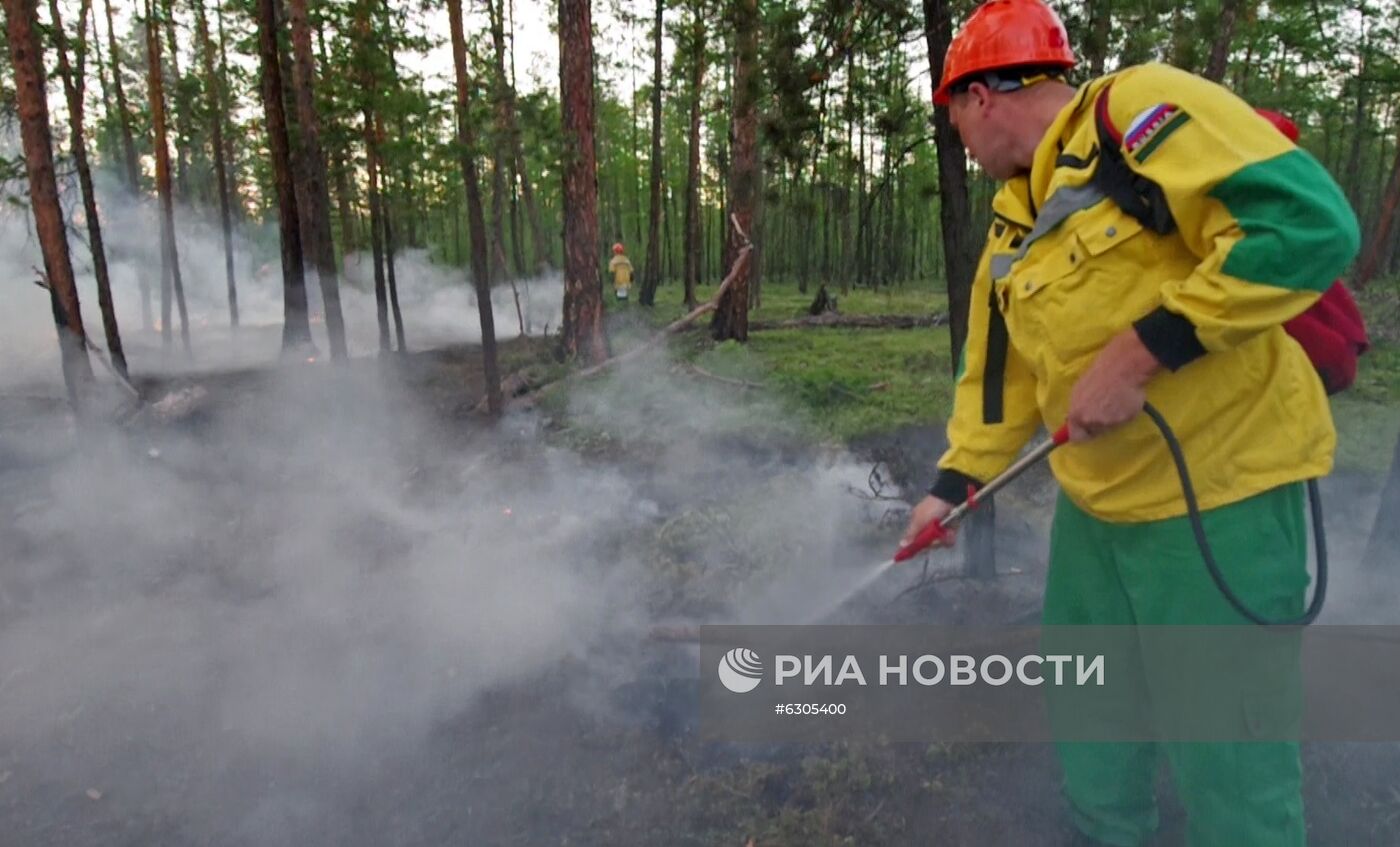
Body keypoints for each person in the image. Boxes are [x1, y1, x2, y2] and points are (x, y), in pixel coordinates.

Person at [904, 1, 1360, 844]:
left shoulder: (1136, 112)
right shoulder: (1012, 219)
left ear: (983, 97)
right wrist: (953, 483)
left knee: (1232, 766)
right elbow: (997, 375)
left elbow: (1307, 223)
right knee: (1095, 731)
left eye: (954, 115)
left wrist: (1146, 348)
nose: (961, 141)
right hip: (1096, 513)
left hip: (1218, 497)